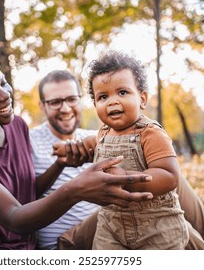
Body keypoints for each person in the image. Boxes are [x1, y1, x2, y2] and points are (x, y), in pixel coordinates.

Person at [0, 68, 204, 250]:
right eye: (55, 102)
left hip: (110, 226)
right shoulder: (26, 136)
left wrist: (63, 164)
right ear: (42, 106)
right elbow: (3, 189)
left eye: (71, 99)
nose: (65, 109)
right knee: (160, 191)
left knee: (164, 184)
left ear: (83, 99)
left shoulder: (104, 134)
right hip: (65, 242)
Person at [0, 51, 153, 250]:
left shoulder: (16, 126)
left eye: (3, 83)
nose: (5, 95)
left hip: (25, 247)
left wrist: (60, 165)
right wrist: (77, 189)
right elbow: (14, 217)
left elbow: (27, 192)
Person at [54, 51, 189, 249]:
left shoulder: (150, 133)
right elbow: (92, 144)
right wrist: (70, 148)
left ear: (142, 99)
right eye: (103, 96)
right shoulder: (103, 134)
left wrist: (127, 178)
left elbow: (169, 175)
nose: (112, 101)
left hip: (157, 226)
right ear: (95, 104)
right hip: (111, 226)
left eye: (122, 92)